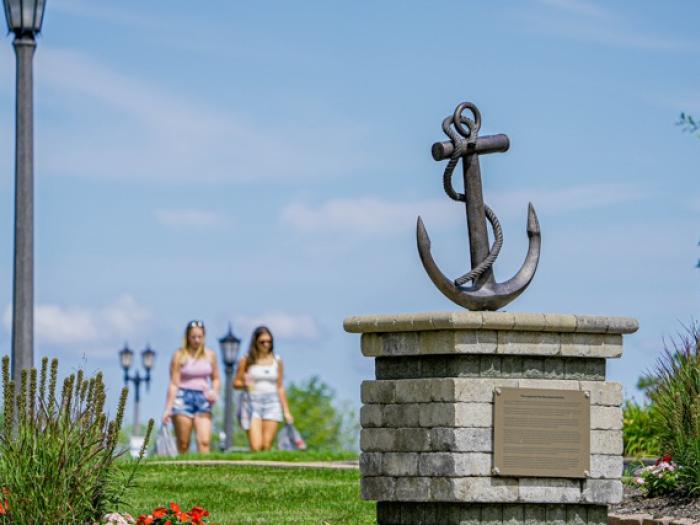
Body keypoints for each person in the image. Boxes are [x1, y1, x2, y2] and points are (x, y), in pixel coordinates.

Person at [162, 320, 221, 454]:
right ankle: (185, 471)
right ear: (187, 337)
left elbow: (216, 378)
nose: (196, 340)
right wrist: (168, 408)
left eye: (199, 337)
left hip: (203, 398)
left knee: (204, 441)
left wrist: (215, 391)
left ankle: (205, 471)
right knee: (183, 442)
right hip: (182, 397)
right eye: (193, 337)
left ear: (204, 337)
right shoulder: (179, 355)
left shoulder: (210, 355)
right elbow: (174, 383)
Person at [234, 326, 293, 451]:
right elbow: (236, 383)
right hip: (252, 403)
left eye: (269, 341)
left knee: (266, 445)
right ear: (255, 342)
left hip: (272, 402)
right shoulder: (246, 360)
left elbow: (280, 386)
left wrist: (286, 411)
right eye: (262, 342)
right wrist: (245, 383)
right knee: (256, 446)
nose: (266, 344)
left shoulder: (277, 360)